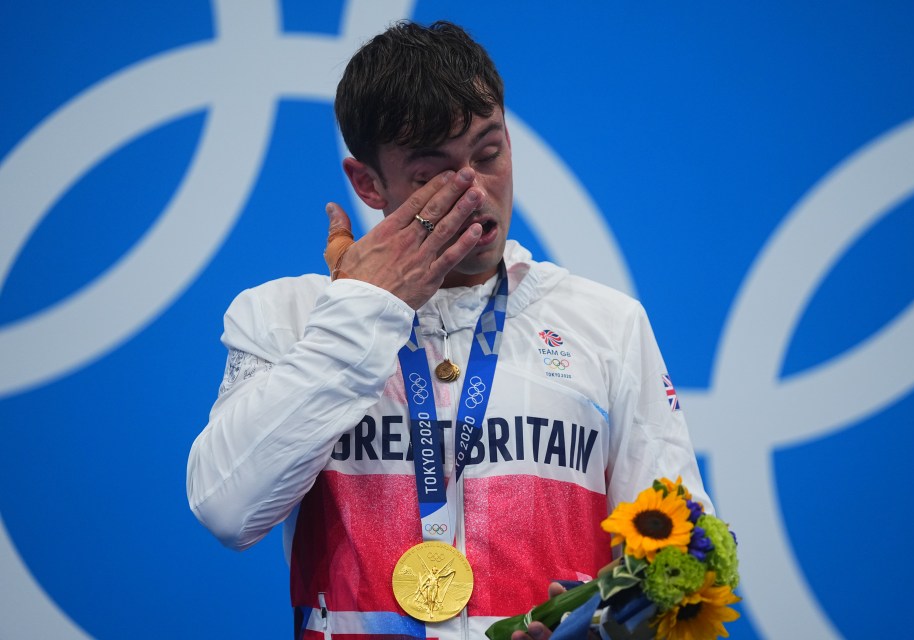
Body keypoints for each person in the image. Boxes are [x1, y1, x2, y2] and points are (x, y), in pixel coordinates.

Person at [186, 20, 713, 640]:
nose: (474, 192)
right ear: (367, 183)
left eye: (489, 154)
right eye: (434, 174)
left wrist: (598, 632)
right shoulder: (285, 317)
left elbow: (686, 555)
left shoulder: (606, 323)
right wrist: (365, 311)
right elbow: (228, 509)